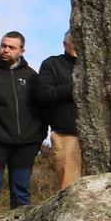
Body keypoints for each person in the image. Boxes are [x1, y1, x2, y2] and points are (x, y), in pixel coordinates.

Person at [0, 31, 46, 214]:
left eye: (11, 47)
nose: (5, 50)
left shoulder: (31, 76)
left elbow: (42, 107)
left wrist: (39, 135)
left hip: (26, 144)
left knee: (21, 194)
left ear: (22, 50)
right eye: (3, 45)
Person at [35, 30, 81, 189]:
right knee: (68, 187)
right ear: (64, 44)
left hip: (97, 137)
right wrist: (73, 88)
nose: (76, 46)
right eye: (73, 42)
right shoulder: (51, 64)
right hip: (66, 135)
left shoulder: (96, 64)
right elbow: (43, 95)